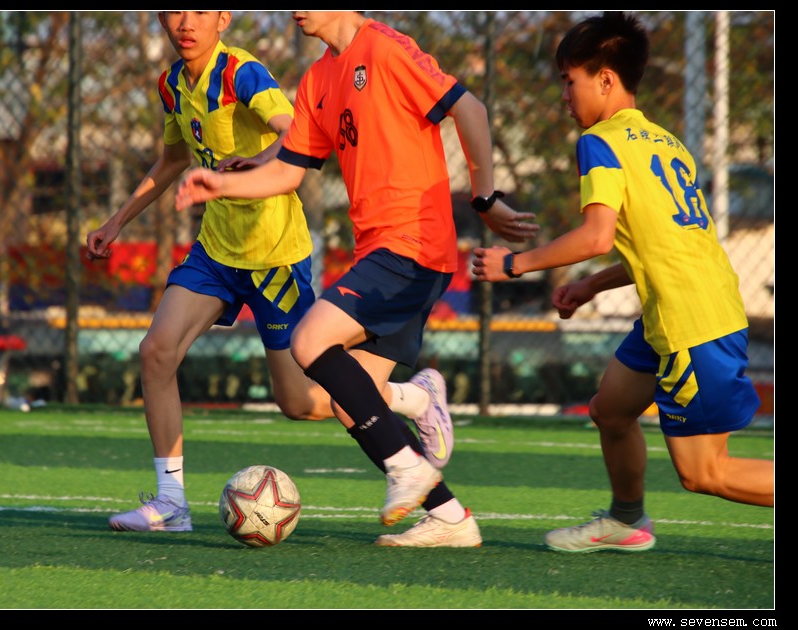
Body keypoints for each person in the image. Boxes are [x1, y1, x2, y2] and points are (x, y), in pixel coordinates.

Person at [177, 11, 539, 547]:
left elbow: (470, 108)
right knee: (349, 401)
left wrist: (485, 198)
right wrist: (221, 185)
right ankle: (450, 517)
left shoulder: (386, 49)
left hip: (414, 244)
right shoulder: (317, 81)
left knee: (309, 341)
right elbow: (289, 171)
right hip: (381, 251)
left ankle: (407, 468)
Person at [86, 11, 455, 534]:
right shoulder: (171, 85)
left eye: (200, 12)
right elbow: (171, 160)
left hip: (274, 256)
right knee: (156, 352)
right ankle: (171, 502)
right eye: (174, 12)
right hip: (216, 252)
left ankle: (413, 397)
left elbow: (292, 134)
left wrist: (256, 162)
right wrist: (116, 221)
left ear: (223, 19)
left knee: (302, 402)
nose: (185, 23)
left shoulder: (243, 73)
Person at [471, 11, 774, 553]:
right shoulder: (667, 142)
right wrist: (590, 287)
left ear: (606, 79)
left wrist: (514, 264)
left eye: (570, 80)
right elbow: (659, 246)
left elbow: (596, 236)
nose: (565, 95)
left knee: (705, 473)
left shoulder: (600, 141)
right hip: (683, 304)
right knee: (609, 410)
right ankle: (625, 520)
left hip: (689, 321)